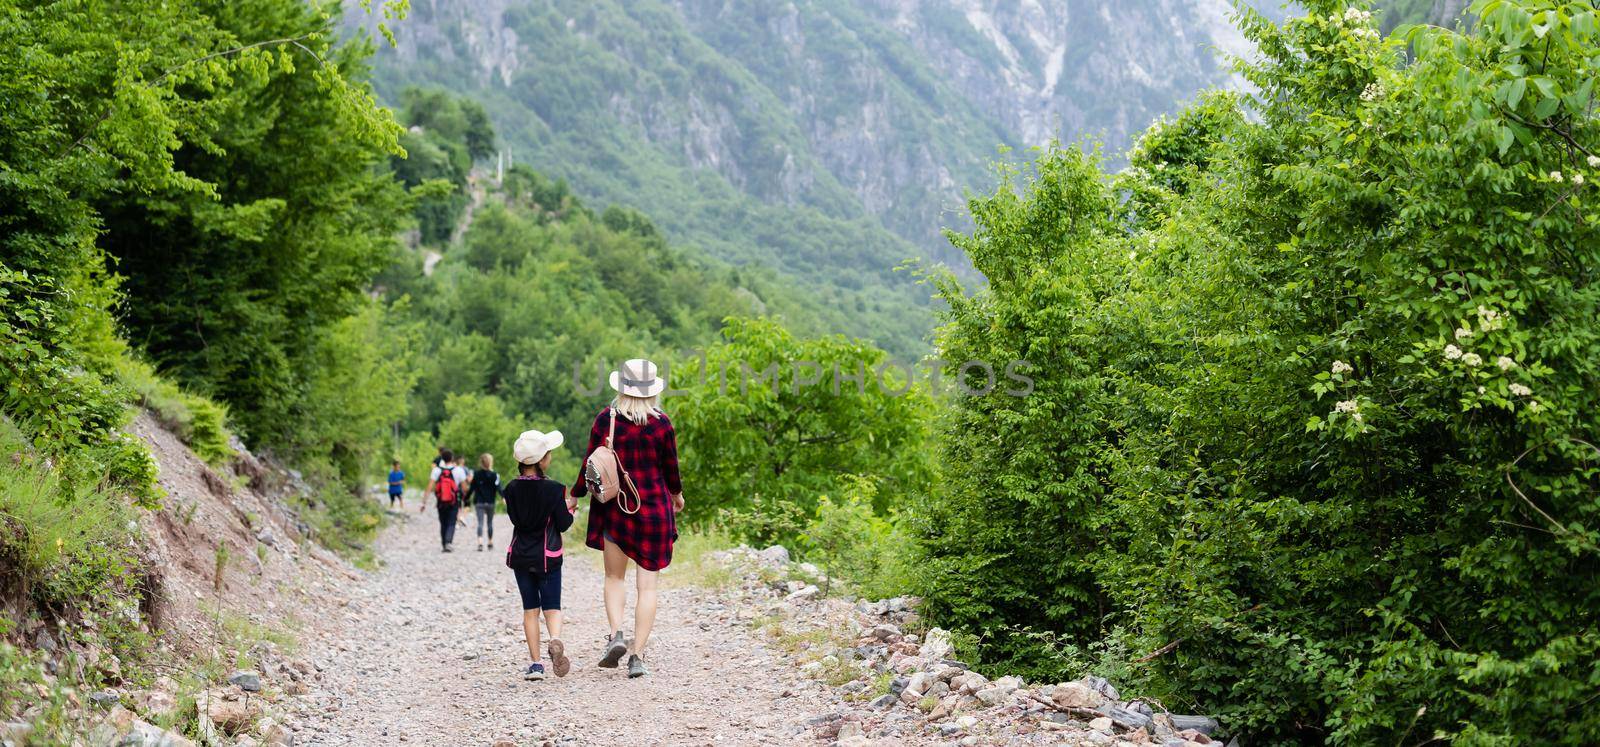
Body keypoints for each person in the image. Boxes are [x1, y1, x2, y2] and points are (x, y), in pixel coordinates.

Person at [571, 359, 684, 679]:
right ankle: (637, 655)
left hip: (615, 510)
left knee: (614, 578)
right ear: (652, 391)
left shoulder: (605, 421)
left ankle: (616, 634)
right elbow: (670, 469)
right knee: (647, 587)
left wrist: (576, 493)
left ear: (621, 388)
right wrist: (677, 495)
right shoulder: (662, 424)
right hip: (654, 513)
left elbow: (590, 464)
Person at [505, 429, 576, 681]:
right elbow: (563, 523)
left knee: (530, 610)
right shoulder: (554, 489)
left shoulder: (510, 489)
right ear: (543, 460)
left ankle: (536, 665)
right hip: (548, 555)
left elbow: (518, 519)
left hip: (521, 556)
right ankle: (555, 640)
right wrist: (570, 509)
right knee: (552, 607)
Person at [421, 449, 469, 552]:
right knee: (451, 522)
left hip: (441, 501)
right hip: (453, 501)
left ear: (442, 458)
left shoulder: (436, 471)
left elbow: (429, 487)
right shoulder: (458, 470)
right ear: (452, 458)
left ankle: (444, 544)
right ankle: (448, 542)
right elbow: (465, 488)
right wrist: (466, 500)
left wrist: (424, 502)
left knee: (443, 523)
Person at [468, 453, 504, 551]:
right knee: (489, 523)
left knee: (480, 523)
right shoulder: (495, 475)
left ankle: (480, 542)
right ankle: (490, 542)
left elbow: (471, 489)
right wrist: (504, 497)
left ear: (481, 462)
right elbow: (499, 488)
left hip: (479, 502)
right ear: (491, 462)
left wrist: (466, 498)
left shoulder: (476, 474)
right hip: (490, 503)